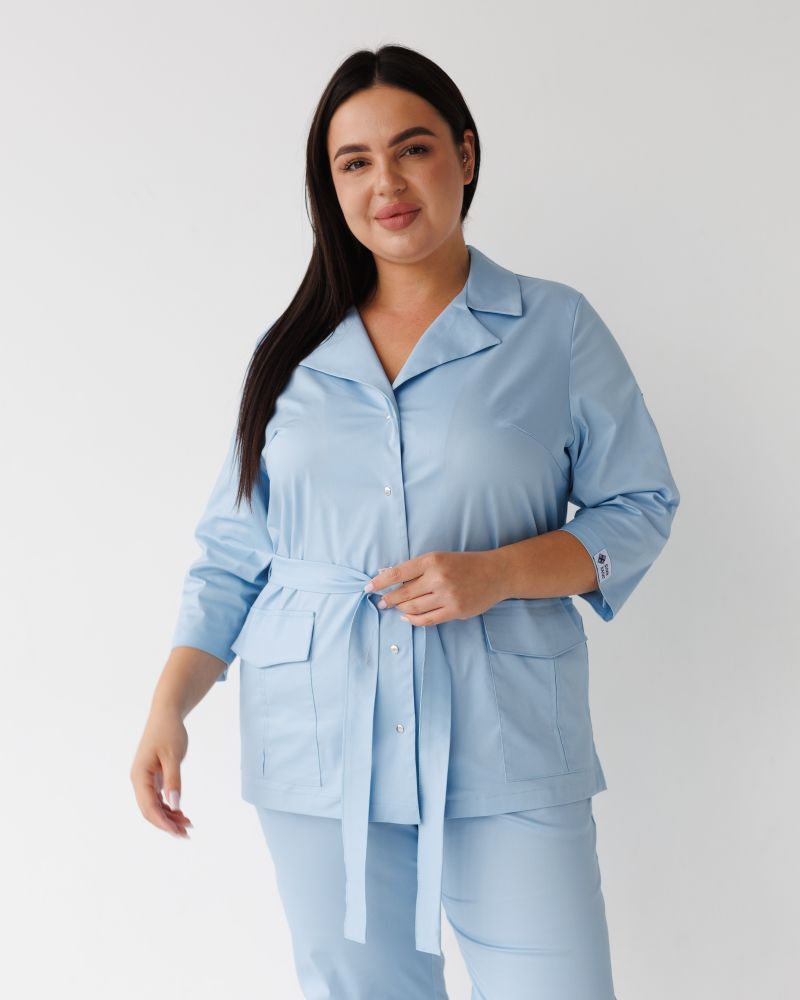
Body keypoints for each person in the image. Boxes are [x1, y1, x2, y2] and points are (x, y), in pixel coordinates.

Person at [130, 43, 680, 1000]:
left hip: (504, 736)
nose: (385, 183)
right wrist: (169, 704)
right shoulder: (290, 354)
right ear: (331, 186)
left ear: (463, 155)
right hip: (319, 741)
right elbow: (233, 557)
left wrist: (498, 573)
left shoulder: (554, 326)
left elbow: (639, 505)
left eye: (412, 148)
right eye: (355, 162)